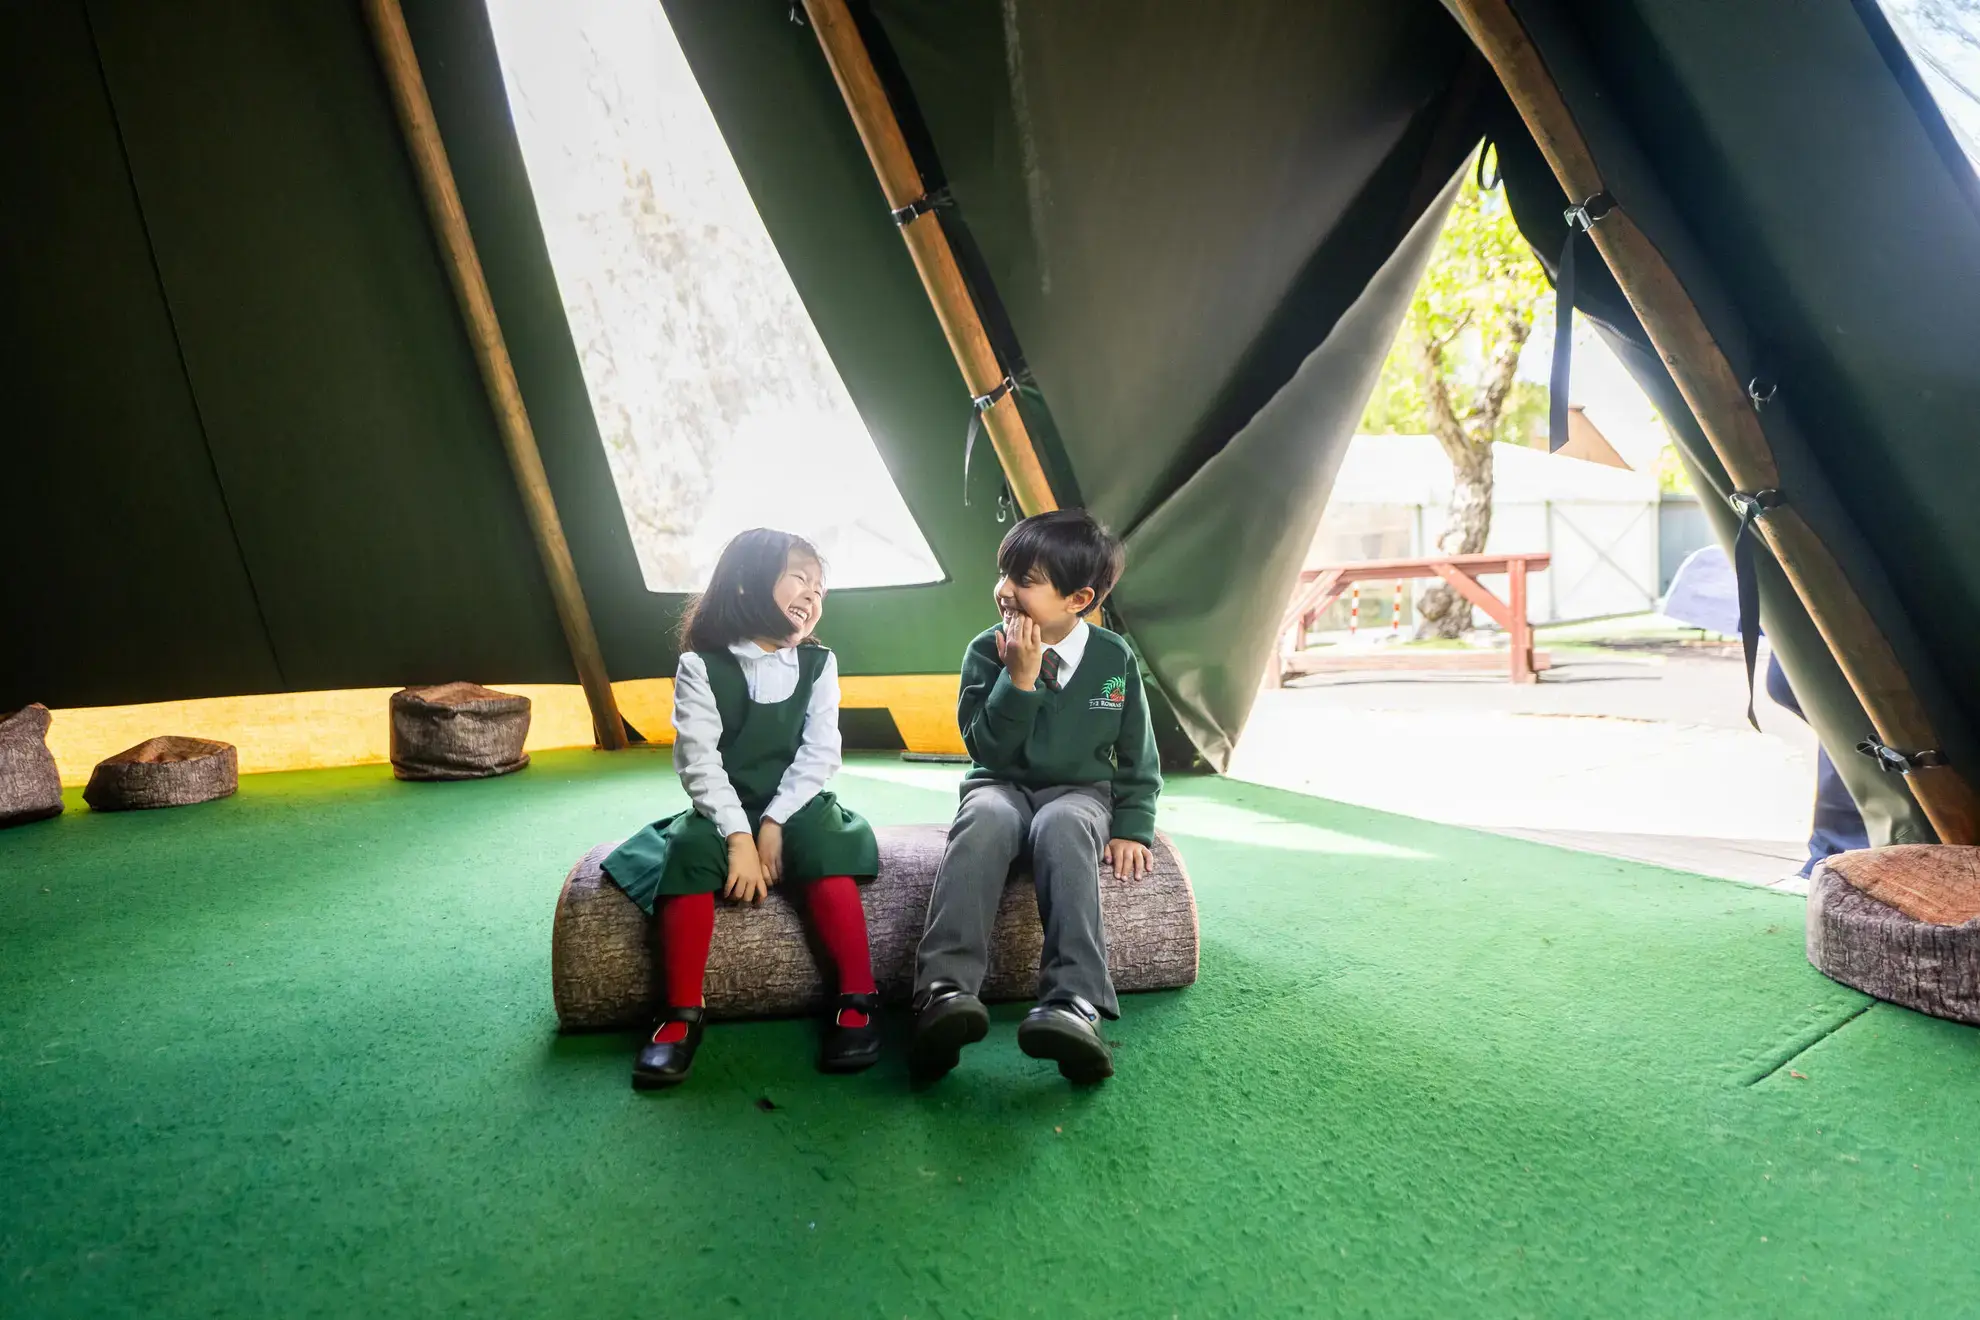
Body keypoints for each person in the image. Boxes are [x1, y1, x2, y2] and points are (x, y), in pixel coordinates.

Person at [603, 529, 881, 1090]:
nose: (813, 593)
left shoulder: (819, 664)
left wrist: (775, 823)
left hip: (798, 801)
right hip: (724, 802)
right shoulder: (701, 666)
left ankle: (857, 998)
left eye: (820, 587)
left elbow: (820, 752)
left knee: (825, 843)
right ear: (747, 582)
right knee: (685, 847)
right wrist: (738, 836)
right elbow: (698, 761)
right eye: (800, 577)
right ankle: (681, 1012)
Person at [908, 509, 1163, 1084]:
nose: (1004, 590)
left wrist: (1133, 825)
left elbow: (1138, 754)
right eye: (1004, 573)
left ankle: (1074, 1003)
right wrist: (1017, 680)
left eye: (1024, 580)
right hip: (999, 783)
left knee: (1065, 826)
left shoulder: (1114, 659)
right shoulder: (985, 650)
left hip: (1079, 793)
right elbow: (987, 749)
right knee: (986, 819)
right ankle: (942, 994)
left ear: (1078, 598)